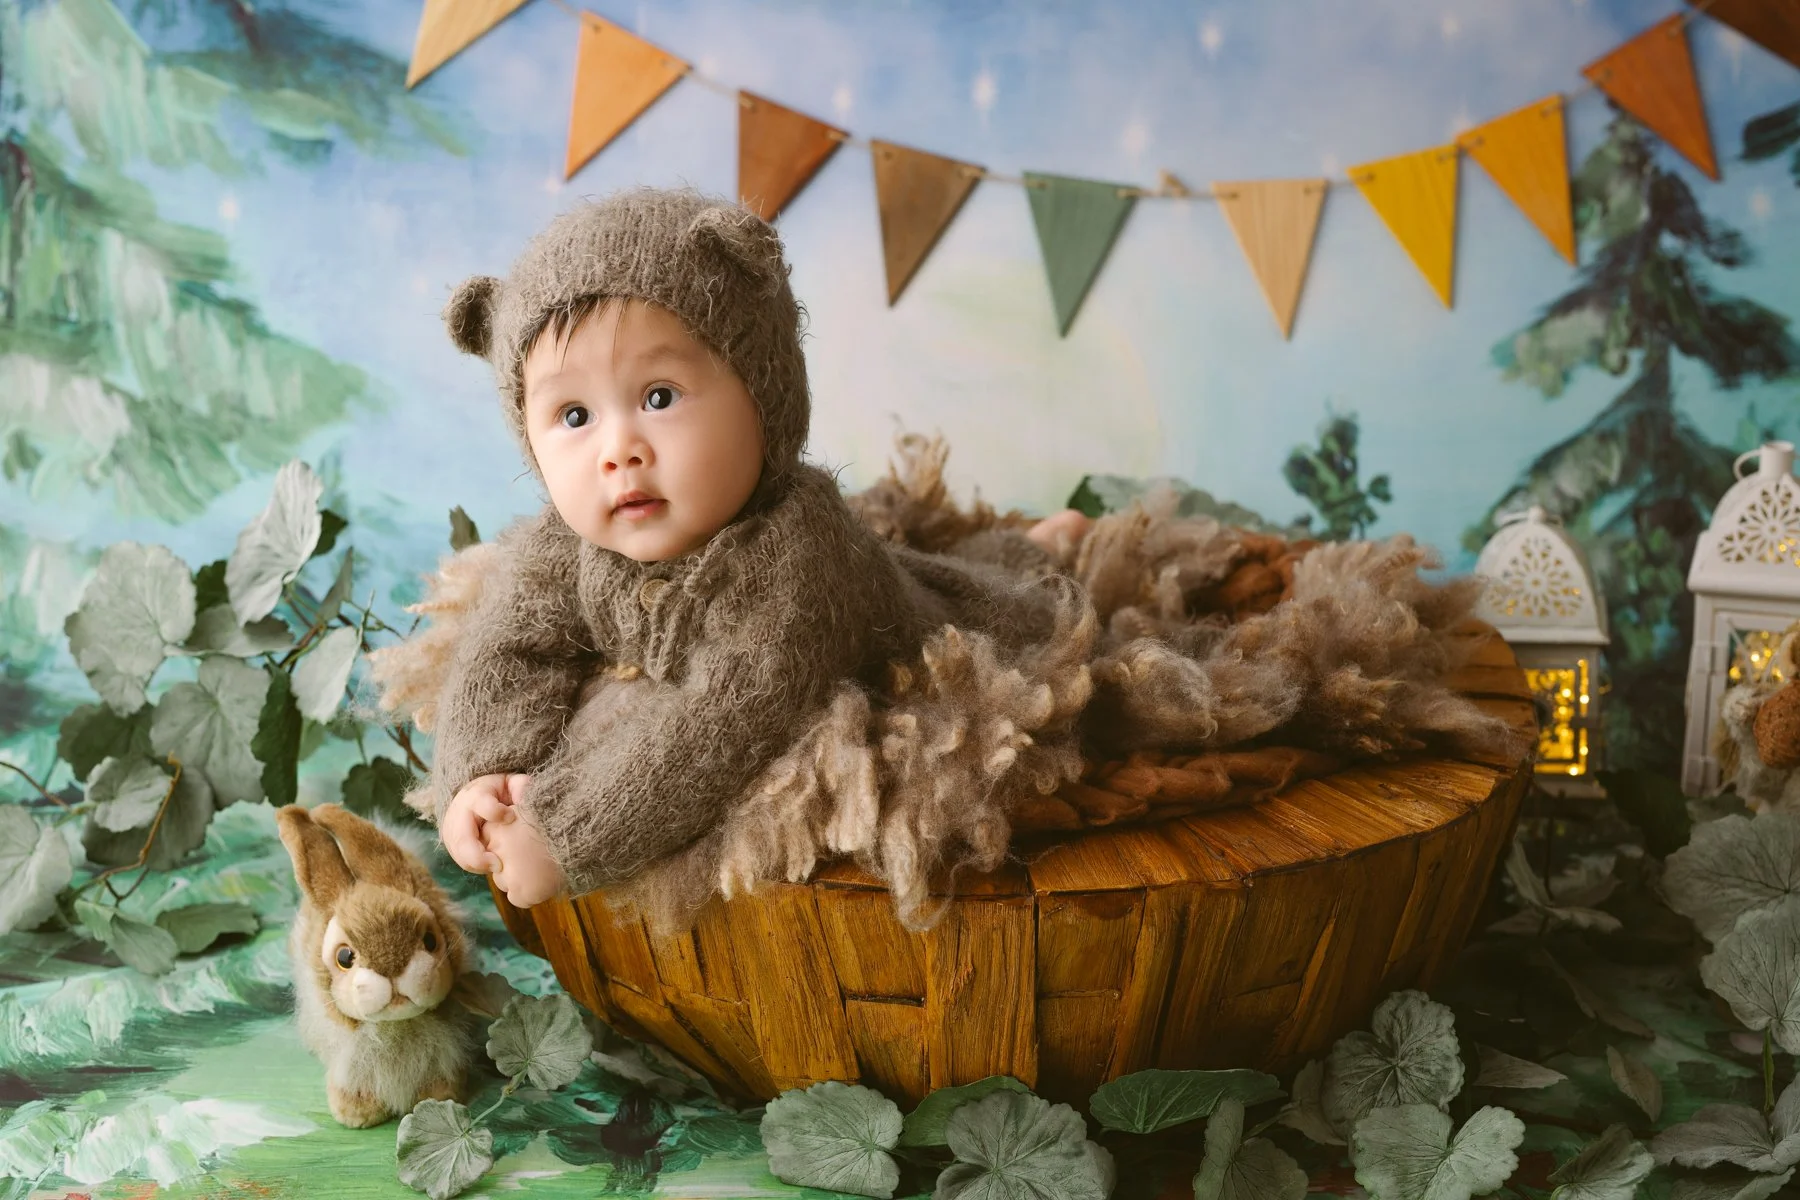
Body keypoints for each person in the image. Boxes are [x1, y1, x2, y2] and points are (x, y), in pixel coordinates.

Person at [427, 187, 1085, 909]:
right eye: (574, 415)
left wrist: (563, 832)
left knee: (1007, 595)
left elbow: (720, 720)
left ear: (763, 396)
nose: (619, 450)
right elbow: (503, 647)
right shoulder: (569, 541)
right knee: (924, 548)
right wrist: (479, 773)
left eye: (659, 397)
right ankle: (1026, 541)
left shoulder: (797, 554)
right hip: (846, 589)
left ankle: (1042, 545)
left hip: (914, 630)